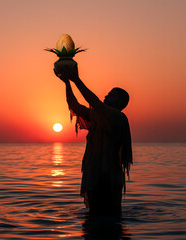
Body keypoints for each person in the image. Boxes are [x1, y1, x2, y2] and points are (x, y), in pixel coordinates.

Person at [53, 60, 133, 216]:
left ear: (121, 102)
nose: (106, 96)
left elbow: (93, 101)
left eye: (111, 95)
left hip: (108, 175)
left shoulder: (118, 117)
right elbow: (75, 106)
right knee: (95, 217)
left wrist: (76, 79)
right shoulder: (99, 117)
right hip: (95, 172)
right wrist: (67, 83)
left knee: (110, 216)